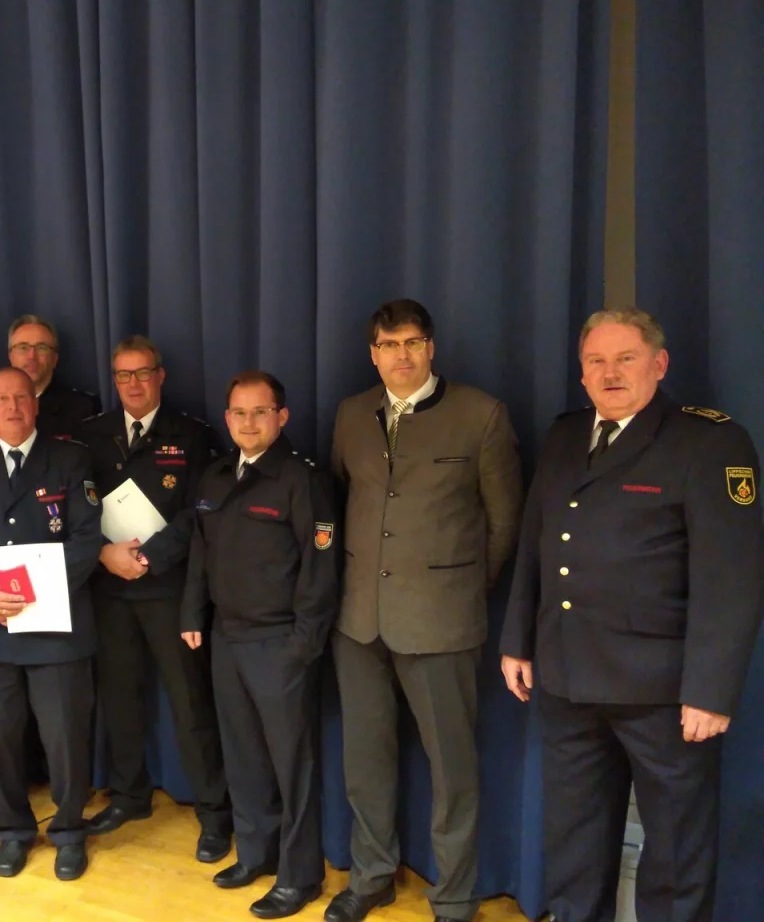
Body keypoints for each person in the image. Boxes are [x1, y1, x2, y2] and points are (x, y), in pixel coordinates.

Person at [499, 307, 763, 922]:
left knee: (675, 852)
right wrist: (518, 640)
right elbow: (536, 545)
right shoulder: (566, 436)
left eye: (626, 358)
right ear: (581, 372)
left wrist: (710, 690)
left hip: (663, 691)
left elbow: (732, 578)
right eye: (596, 361)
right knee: (574, 842)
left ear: (659, 364)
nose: (610, 373)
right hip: (568, 677)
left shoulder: (708, 441)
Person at [324, 300, 523, 922]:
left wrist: (459, 589)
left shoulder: (481, 414)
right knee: (365, 760)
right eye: (389, 345)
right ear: (373, 354)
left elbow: (503, 524)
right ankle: (372, 875)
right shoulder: (351, 414)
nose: (401, 355)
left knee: (452, 768)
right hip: (359, 621)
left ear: (431, 348)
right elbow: (342, 501)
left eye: (412, 342)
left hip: (442, 622)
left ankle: (455, 896)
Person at [181, 371, 338, 920]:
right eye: (239, 413)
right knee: (243, 755)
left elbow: (320, 568)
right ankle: (256, 854)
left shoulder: (302, 479)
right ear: (227, 419)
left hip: (280, 643)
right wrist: (192, 614)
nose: (249, 423)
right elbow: (200, 552)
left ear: (281, 417)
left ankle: (299, 876)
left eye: (260, 412)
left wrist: (303, 644)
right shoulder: (217, 475)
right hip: (227, 637)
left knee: (292, 765)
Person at [0, 367, 102, 881]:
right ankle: (12, 831)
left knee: (65, 739)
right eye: (2, 400)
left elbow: (86, 540)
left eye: (21, 398)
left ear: (36, 405)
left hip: (55, 629)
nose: (12, 407)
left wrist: (34, 590)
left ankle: (69, 832)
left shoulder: (70, 459)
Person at [78, 336, 232, 862]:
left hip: (169, 589)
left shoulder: (193, 435)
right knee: (119, 699)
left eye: (143, 373)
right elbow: (76, 512)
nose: (134, 384)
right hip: (109, 589)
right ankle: (129, 796)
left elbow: (200, 512)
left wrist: (148, 557)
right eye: (123, 375)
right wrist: (103, 554)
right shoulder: (91, 436)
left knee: (191, 702)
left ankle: (214, 812)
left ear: (160, 375)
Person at [0, 315, 99, 441]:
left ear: (55, 358)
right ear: (11, 356)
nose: (31, 356)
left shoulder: (82, 407)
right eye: (23, 347)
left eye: (41, 348)